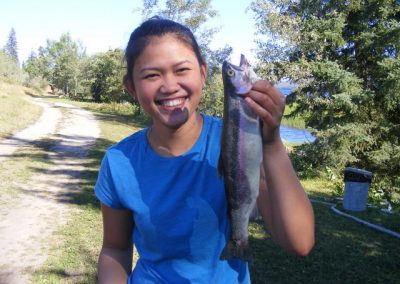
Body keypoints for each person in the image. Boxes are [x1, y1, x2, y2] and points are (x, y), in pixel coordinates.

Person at [94, 17, 315, 284]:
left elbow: (300, 243)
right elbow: (115, 248)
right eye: (152, 75)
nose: (169, 85)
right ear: (131, 87)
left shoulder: (241, 144)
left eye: (181, 70)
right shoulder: (119, 162)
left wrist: (271, 143)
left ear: (202, 73)